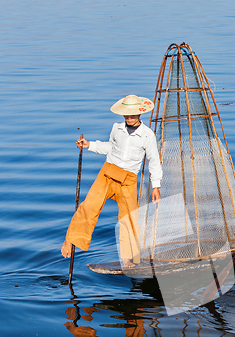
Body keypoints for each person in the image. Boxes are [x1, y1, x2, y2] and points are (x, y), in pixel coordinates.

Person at [61, 94, 162, 268]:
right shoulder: (117, 128)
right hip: (107, 173)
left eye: (132, 114)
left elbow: (154, 160)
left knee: (129, 218)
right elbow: (110, 147)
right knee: (89, 206)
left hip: (128, 179)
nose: (129, 118)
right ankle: (70, 239)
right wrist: (89, 145)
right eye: (126, 114)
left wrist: (156, 186)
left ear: (139, 113)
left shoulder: (147, 135)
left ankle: (127, 259)